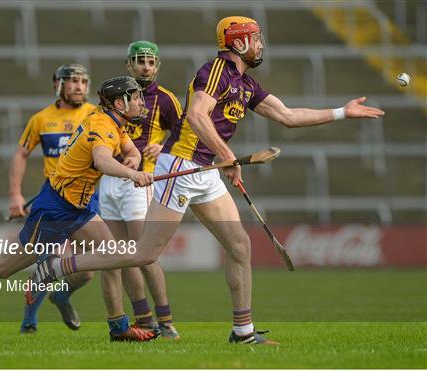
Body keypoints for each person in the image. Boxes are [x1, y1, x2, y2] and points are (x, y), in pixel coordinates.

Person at [25, 16, 385, 344]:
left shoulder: (245, 83)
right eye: (256, 39)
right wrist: (228, 156)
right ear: (239, 43)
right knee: (144, 253)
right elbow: (197, 115)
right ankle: (55, 266)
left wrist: (341, 112)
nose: (261, 45)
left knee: (240, 245)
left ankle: (242, 332)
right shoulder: (216, 71)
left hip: (206, 170)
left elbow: (287, 116)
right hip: (179, 167)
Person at [0, 76, 158, 342]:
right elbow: (102, 160)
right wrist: (131, 174)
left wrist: (133, 160)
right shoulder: (102, 126)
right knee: (3, 267)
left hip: (79, 208)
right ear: (119, 102)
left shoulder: (114, 121)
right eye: (134, 97)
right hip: (56, 210)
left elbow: (129, 149)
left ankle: (118, 328)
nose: (140, 101)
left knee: (110, 257)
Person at [98, 41, 181, 339]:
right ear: (128, 64)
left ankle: (166, 319)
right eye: (139, 60)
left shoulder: (167, 99)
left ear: (157, 66)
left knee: (143, 253)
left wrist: (165, 145)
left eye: (150, 61)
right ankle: (144, 319)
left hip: (140, 182)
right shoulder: (114, 95)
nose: (145, 65)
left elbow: (185, 133)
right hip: (109, 181)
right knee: (121, 254)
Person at [10, 64, 96, 333]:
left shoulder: (95, 114)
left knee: (89, 269)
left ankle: (62, 296)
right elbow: (21, 155)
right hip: (55, 197)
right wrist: (15, 193)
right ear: (57, 85)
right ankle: (29, 321)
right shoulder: (41, 119)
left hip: (88, 197)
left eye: (83, 81)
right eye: (72, 81)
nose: (79, 86)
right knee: (46, 262)